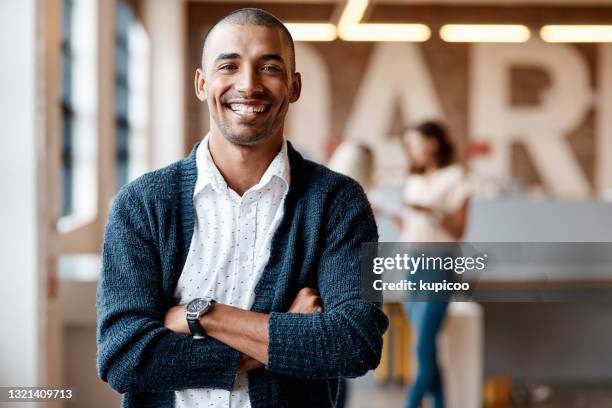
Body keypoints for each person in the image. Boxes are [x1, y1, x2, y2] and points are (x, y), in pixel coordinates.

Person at [96, 8, 388, 408]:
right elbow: (122, 358)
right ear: (202, 83)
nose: (248, 85)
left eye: (269, 67)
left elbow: (357, 343)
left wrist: (202, 316)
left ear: (294, 85)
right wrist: (283, 337)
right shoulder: (141, 204)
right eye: (228, 66)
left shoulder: (340, 203)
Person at [400, 121, 471, 408]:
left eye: (414, 143)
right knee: (427, 349)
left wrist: (430, 210)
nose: (410, 150)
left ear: (433, 143)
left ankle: (411, 403)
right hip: (411, 264)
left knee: (422, 346)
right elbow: (411, 226)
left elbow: (458, 230)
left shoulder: (456, 178)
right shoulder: (413, 180)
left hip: (439, 265)